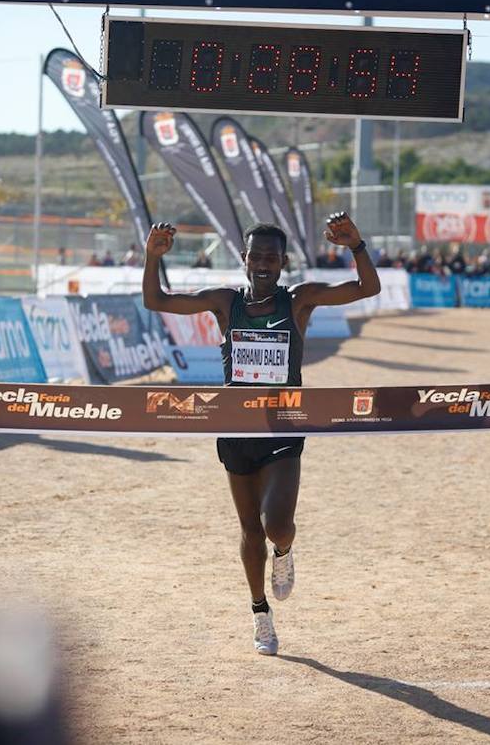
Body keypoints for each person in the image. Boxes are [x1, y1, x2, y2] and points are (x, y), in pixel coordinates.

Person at [143, 212, 380, 656]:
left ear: (283, 261)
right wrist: (151, 256)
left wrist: (356, 246)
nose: (264, 263)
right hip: (235, 428)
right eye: (257, 256)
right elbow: (157, 301)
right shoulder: (223, 301)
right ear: (244, 259)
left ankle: (285, 552)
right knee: (250, 530)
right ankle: (260, 614)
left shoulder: (299, 301)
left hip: (284, 424)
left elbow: (367, 289)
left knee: (277, 525)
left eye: (273, 256)